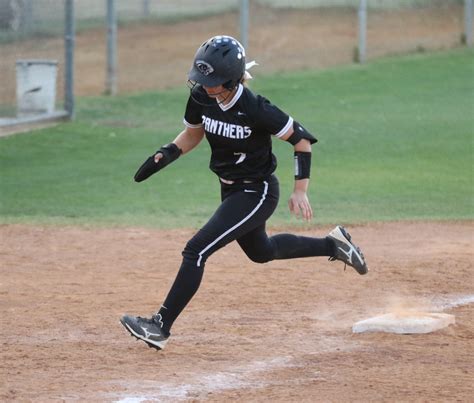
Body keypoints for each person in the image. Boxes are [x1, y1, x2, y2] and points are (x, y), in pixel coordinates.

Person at [120, 35, 368, 350]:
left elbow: (302, 140)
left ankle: (159, 326)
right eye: (203, 79)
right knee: (261, 252)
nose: (208, 86)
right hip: (230, 189)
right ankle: (333, 245)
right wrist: (167, 153)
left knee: (196, 250)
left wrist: (300, 191)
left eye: (215, 81)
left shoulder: (255, 107)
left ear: (234, 79)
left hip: (257, 191)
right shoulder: (202, 96)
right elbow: (193, 133)